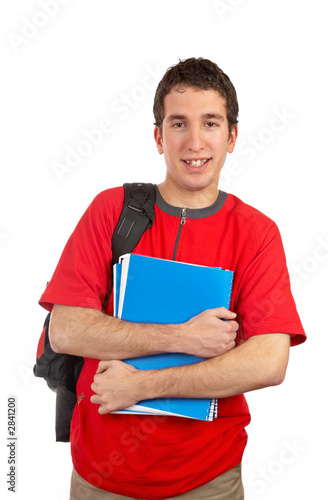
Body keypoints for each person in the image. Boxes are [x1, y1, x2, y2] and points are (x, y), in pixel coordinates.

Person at [39, 57, 306, 500]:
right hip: (100, 479)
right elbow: (65, 329)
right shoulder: (110, 211)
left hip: (208, 480)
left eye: (211, 123)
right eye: (179, 124)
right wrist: (183, 336)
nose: (195, 141)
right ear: (159, 137)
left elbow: (269, 361)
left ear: (232, 136)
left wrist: (142, 386)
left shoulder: (257, 233)